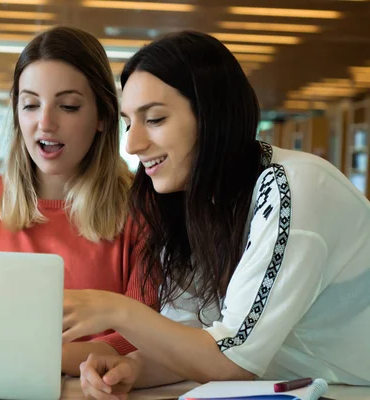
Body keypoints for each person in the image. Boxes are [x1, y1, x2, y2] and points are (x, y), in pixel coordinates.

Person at [62, 30, 370, 398]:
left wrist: (115, 309)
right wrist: (132, 367)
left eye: (155, 119)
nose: (132, 143)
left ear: (211, 115)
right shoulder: (195, 199)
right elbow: (196, 340)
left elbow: (230, 360)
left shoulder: (294, 188)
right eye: (129, 123)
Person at [0, 26, 156, 376]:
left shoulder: (141, 213)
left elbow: (142, 336)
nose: (45, 123)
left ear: (102, 117)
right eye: (31, 105)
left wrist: (14, 355)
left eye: (67, 106)